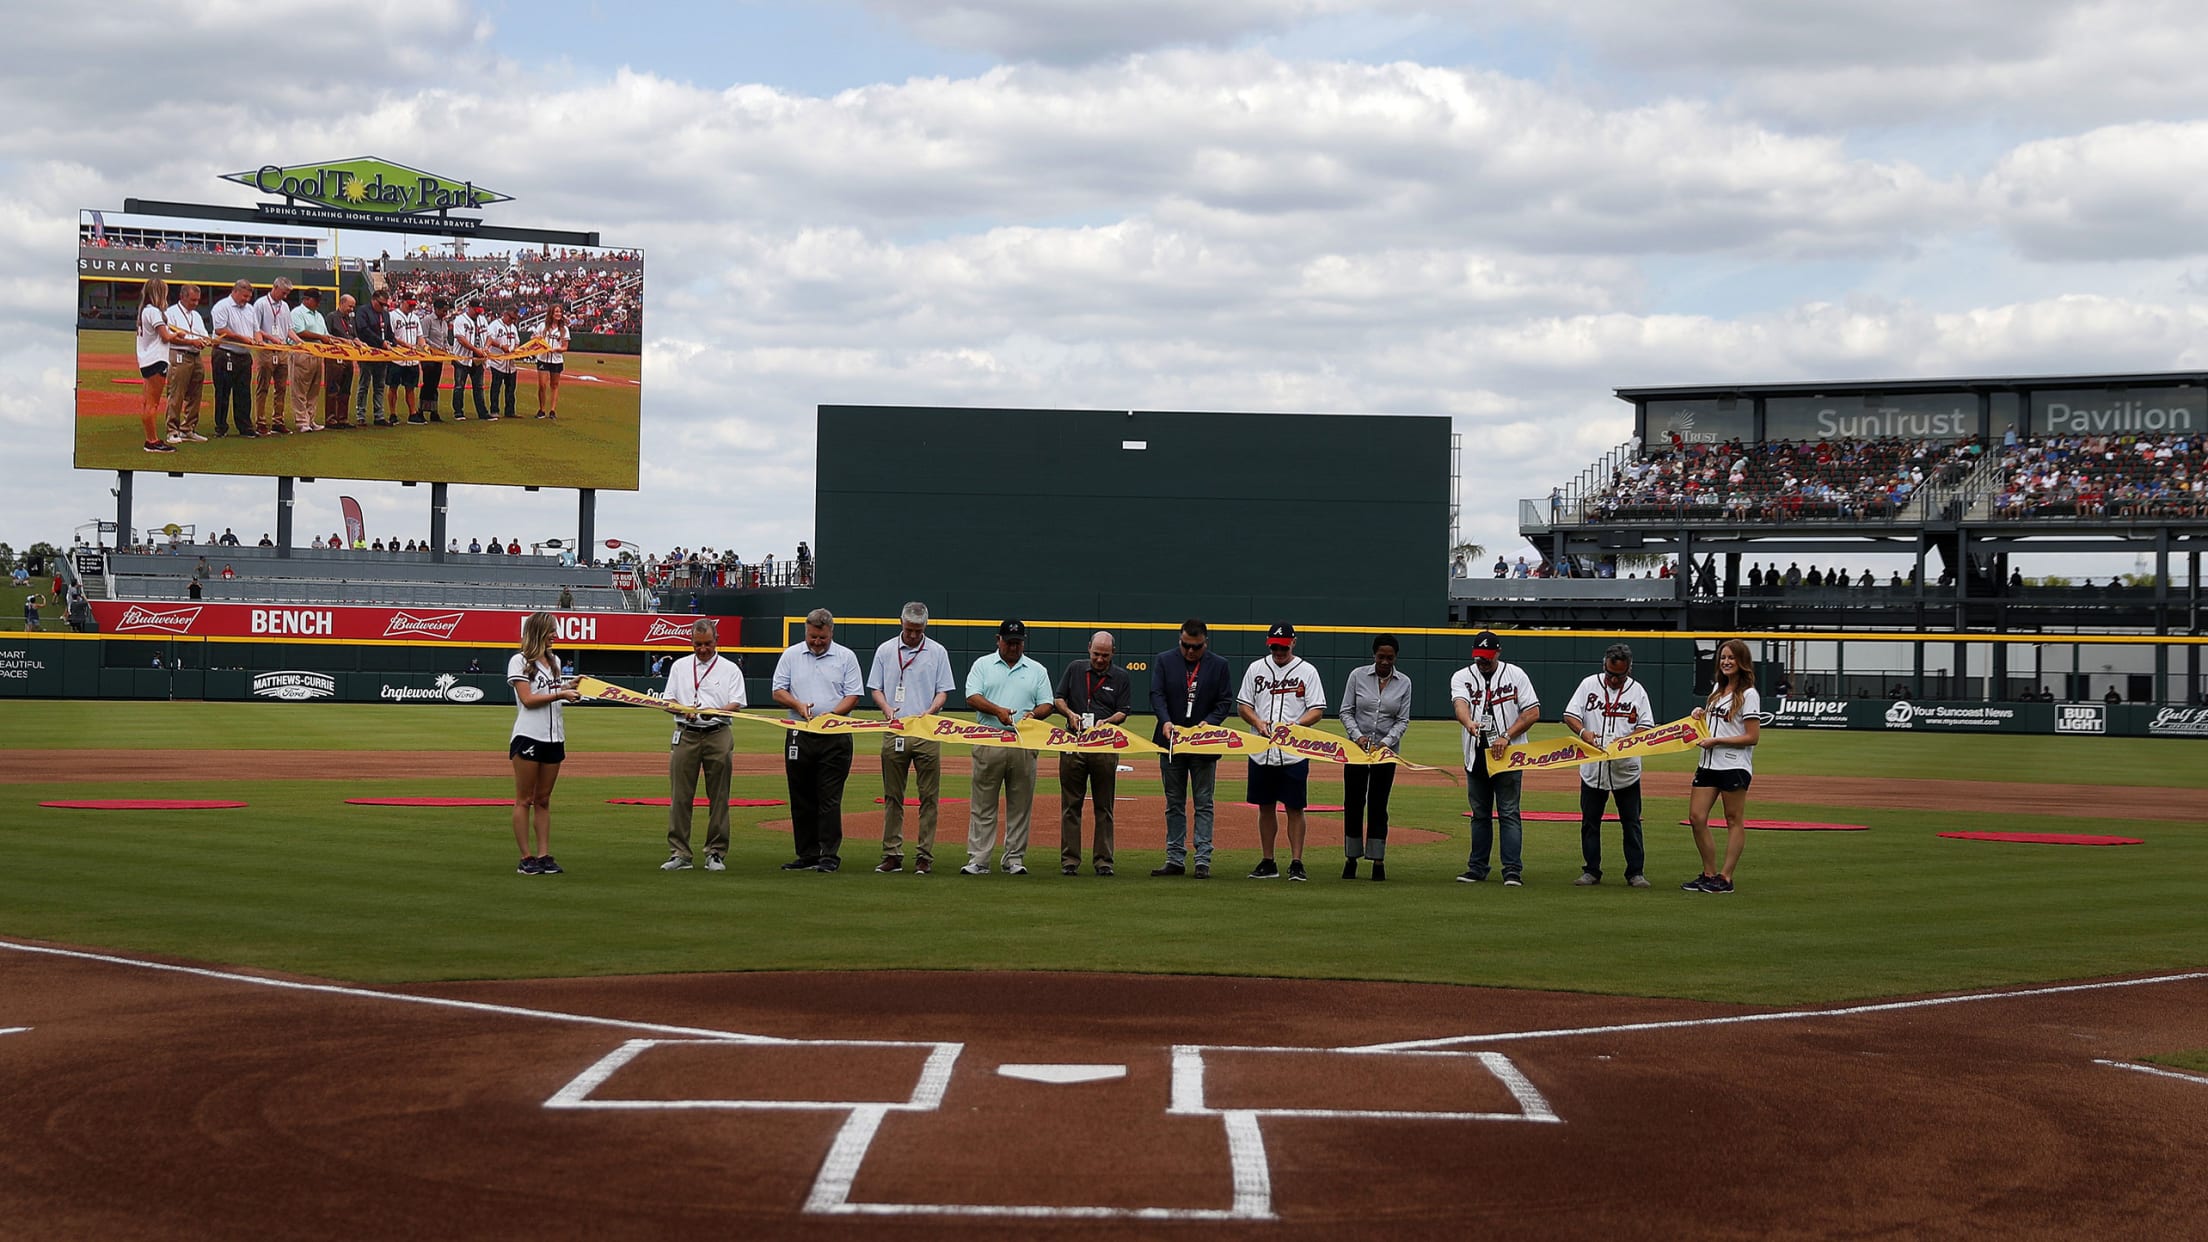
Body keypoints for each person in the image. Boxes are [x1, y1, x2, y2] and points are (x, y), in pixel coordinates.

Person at [959, 619, 1056, 876]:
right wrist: (998, 711)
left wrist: (1034, 716)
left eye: (1019, 642)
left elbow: (1047, 703)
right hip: (989, 738)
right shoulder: (983, 665)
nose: (1014, 647)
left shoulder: (1036, 669)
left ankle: (1014, 858)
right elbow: (972, 696)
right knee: (983, 803)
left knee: (1020, 805)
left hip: (1023, 741)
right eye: (1010, 642)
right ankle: (978, 859)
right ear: (998, 639)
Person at [866, 601, 956, 874]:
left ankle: (924, 855)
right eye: (910, 630)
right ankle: (892, 852)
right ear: (901, 624)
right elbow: (876, 688)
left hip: (926, 730)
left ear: (925, 627)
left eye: (918, 630)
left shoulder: (937, 652)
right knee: (893, 795)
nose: (914, 635)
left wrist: (931, 710)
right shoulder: (885, 650)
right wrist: (886, 708)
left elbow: (944, 691)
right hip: (895, 730)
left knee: (929, 796)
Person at [770, 608, 863, 872]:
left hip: (834, 735)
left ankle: (829, 855)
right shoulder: (791, 655)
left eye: (821, 637)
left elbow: (853, 695)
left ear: (830, 632)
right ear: (806, 632)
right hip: (800, 733)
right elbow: (778, 690)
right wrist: (798, 705)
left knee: (829, 796)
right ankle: (807, 854)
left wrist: (831, 717)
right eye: (812, 637)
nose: (817, 642)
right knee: (800, 796)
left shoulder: (846, 657)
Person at [1563, 643, 1657, 888]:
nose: (1614, 680)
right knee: (1590, 822)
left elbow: (1646, 725)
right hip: (1594, 768)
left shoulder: (1638, 691)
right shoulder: (1589, 685)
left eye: (1619, 676)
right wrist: (1584, 732)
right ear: (1604, 666)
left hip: (1625, 769)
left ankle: (1635, 872)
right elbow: (1570, 714)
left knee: (1632, 822)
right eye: (1610, 674)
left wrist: (1628, 740)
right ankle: (1591, 871)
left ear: (1629, 670)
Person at [1238, 622, 1326, 881]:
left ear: (1293, 643)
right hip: (1261, 749)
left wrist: (1296, 725)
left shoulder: (1307, 671)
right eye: (1274, 646)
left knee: (1295, 807)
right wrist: (1256, 722)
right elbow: (1244, 705)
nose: (1278, 651)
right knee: (1265, 806)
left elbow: (1317, 709)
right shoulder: (1256, 668)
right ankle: (1268, 860)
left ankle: (1297, 862)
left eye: (1283, 647)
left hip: (1293, 751)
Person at [1453, 630, 1541, 886]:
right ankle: (1477, 867)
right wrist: (1468, 722)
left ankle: (1512, 870)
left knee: (1509, 813)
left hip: (1509, 756)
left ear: (1498, 653)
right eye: (1479, 658)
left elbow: (1533, 712)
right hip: (1476, 754)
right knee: (1480, 814)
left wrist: (1506, 735)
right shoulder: (1462, 676)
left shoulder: (1515, 675)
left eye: (1487, 658)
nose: (1482, 662)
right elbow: (1460, 704)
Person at [1148, 618, 1234, 879]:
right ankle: (1174, 858)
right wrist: (1165, 722)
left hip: (1203, 744)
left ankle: (1202, 860)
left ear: (1205, 643)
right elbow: (1156, 694)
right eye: (1186, 646)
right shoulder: (1165, 660)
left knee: (1204, 802)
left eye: (1196, 647)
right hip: (1171, 742)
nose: (1190, 652)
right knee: (1174, 802)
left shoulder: (1219, 665)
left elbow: (1225, 700)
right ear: (1180, 640)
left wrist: (1209, 723)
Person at [660, 619, 747, 872]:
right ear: (691, 642)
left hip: (717, 731)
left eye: (708, 644)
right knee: (680, 796)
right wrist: (682, 710)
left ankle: (716, 852)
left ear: (716, 640)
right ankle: (680, 853)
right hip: (685, 733)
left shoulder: (730, 668)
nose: (703, 649)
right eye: (698, 644)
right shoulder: (680, 666)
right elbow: (668, 701)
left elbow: (737, 703)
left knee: (719, 796)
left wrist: (715, 711)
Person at [507, 610, 582, 876]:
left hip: (554, 736)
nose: (556, 635)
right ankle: (526, 857)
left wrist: (568, 687)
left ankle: (544, 855)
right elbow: (528, 699)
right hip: (529, 735)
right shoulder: (519, 660)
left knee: (544, 799)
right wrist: (560, 692)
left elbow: (551, 695)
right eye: (552, 630)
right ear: (539, 631)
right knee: (524, 799)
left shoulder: (555, 661)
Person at [1684, 639, 1761, 894]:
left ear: (1742, 662)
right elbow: (1714, 723)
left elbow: (1752, 736)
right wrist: (1700, 714)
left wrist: (1717, 740)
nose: (1726, 662)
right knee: (1696, 817)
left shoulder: (1749, 695)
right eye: (1723, 657)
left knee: (1733, 819)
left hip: (1733, 765)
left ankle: (1725, 878)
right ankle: (1709, 873)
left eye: (1732, 658)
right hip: (1708, 763)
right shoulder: (1718, 690)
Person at [1054, 630, 1133, 877]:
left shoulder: (1121, 676)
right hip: (1074, 742)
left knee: (1104, 806)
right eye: (1097, 654)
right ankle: (1070, 860)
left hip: (1104, 746)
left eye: (1105, 656)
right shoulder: (1075, 669)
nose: (1100, 659)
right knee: (1071, 804)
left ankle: (1104, 861)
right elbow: (1058, 698)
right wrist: (1069, 714)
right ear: (1089, 648)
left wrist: (1108, 722)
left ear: (1113, 654)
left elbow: (1123, 711)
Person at [1338, 633, 1412, 881]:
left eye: (1390, 658)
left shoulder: (1404, 683)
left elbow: (1402, 720)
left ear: (1396, 657)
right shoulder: (1357, 676)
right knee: (1354, 803)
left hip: (1385, 754)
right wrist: (1358, 737)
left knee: (1379, 805)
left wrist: (1385, 743)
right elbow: (1346, 711)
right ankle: (1351, 858)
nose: (1385, 662)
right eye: (1381, 656)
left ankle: (1378, 860)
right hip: (1357, 752)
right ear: (1374, 655)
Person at [159, 281, 210, 444]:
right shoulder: (171, 313)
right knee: (177, 392)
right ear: (182, 297)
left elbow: (203, 334)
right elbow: (169, 337)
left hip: (196, 356)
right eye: (192, 300)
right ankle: (172, 430)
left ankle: (188, 428)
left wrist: (205, 341)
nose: (195, 304)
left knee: (196, 393)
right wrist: (191, 342)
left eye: (197, 300)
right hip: (179, 355)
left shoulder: (196, 315)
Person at [208, 279, 258, 437]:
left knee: (243, 393)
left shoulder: (250, 309)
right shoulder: (222, 307)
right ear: (235, 292)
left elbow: (256, 330)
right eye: (244, 296)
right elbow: (221, 329)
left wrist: (258, 339)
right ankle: (221, 427)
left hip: (244, 356)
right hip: (225, 353)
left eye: (249, 297)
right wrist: (242, 338)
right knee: (223, 392)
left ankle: (245, 427)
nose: (247, 300)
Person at [133, 278, 175, 454]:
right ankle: (152, 441)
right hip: (156, 360)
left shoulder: (145, 311)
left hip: (146, 360)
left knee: (147, 403)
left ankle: (151, 439)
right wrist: (179, 334)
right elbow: (165, 336)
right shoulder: (154, 312)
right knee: (152, 404)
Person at [250, 277, 295, 436]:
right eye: (284, 292)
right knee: (263, 387)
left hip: (282, 350)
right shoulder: (261, 304)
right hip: (266, 350)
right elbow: (255, 328)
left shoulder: (285, 306)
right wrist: (270, 338)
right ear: (275, 287)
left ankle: (278, 420)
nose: (285, 296)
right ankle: (260, 421)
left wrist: (299, 341)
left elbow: (289, 329)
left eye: (287, 293)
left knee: (281, 388)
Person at [285, 288, 332, 432]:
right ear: (307, 299)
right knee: (300, 389)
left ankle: (310, 420)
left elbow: (325, 334)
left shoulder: (318, 315)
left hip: (317, 353)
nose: (318, 304)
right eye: (316, 301)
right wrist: (321, 337)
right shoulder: (297, 313)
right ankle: (301, 421)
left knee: (314, 388)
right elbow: (299, 332)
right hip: (301, 353)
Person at [353, 290, 391, 426]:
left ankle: (379, 415)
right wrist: (381, 342)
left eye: (385, 305)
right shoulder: (363, 311)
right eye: (381, 304)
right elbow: (364, 330)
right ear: (373, 300)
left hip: (382, 355)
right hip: (367, 353)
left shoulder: (385, 315)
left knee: (380, 385)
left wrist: (393, 345)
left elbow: (389, 333)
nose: (383, 307)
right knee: (364, 384)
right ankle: (360, 415)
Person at [321, 293, 358, 430]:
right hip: (334, 357)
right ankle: (331, 419)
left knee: (345, 389)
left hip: (348, 357)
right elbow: (326, 336)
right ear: (341, 304)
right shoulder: (331, 317)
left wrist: (361, 343)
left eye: (353, 307)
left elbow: (354, 336)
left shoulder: (350, 319)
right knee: (332, 388)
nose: (351, 309)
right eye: (350, 306)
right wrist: (342, 341)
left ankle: (343, 418)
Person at [452, 299, 490, 419]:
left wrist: (486, 347)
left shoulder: (482, 319)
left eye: (479, 310)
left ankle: (482, 413)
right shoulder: (460, 319)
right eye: (475, 310)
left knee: (478, 387)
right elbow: (460, 338)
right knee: (459, 386)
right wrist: (475, 349)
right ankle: (458, 412)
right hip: (462, 358)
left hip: (478, 359)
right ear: (469, 307)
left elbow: (489, 336)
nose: (477, 313)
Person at [388, 294, 424, 423]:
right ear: (402, 302)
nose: (412, 307)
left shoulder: (415, 317)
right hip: (397, 357)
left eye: (414, 305)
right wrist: (406, 345)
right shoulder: (392, 315)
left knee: (410, 387)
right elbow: (391, 336)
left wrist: (423, 346)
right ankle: (392, 414)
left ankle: (412, 414)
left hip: (412, 358)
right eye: (410, 305)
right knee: (393, 386)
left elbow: (420, 335)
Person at [534, 302, 570, 419]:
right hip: (543, 359)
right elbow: (534, 339)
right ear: (551, 313)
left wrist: (556, 349)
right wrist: (538, 342)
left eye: (560, 312)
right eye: (556, 312)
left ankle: (552, 410)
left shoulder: (564, 329)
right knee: (542, 385)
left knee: (554, 385)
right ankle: (542, 409)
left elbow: (565, 347)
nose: (558, 314)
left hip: (556, 360)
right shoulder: (542, 326)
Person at [418, 296, 451, 421]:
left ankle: (433, 411)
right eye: (443, 310)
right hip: (428, 357)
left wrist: (446, 348)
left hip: (439, 357)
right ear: (436, 309)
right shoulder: (428, 320)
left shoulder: (444, 322)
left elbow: (445, 339)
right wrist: (437, 348)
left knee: (435, 384)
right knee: (428, 383)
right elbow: (424, 338)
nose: (445, 313)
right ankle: (421, 410)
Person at [485, 306, 522, 419]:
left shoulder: (513, 327)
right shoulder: (495, 325)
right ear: (505, 314)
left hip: (510, 364)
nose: (512, 320)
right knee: (496, 387)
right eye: (511, 318)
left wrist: (515, 349)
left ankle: (510, 411)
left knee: (511, 388)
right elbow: (490, 339)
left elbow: (517, 342)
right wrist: (501, 346)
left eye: (514, 319)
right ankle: (494, 410)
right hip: (497, 362)